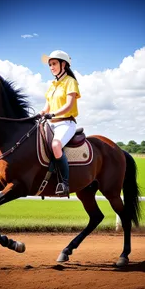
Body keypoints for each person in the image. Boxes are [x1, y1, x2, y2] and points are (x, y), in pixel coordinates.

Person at [40, 50, 81, 196]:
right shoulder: (52, 85)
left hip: (65, 123)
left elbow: (69, 105)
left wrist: (53, 114)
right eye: (50, 64)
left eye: (54, 63)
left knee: (56, 145)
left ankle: (64, 183)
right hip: (50, 123)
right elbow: (47, 107)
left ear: (63, 64)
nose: (51, 67)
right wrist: (40, 114)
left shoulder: (71, 82)